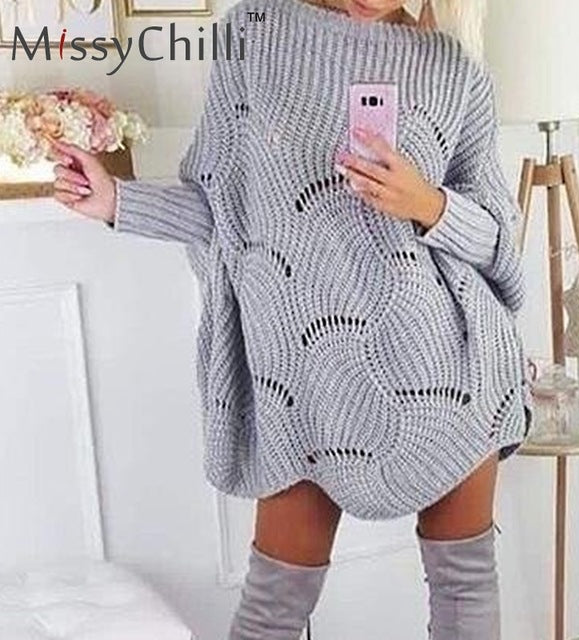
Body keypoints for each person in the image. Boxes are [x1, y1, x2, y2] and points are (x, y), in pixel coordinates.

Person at [50, 0, 532, 638]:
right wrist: (118, 201)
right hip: (303, 377)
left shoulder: (455, 69)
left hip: (450, 370)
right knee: (273, 608)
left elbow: (500, 245)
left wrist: (427, 203)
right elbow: (222, 211)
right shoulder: (254, 32)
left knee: (465, 590)